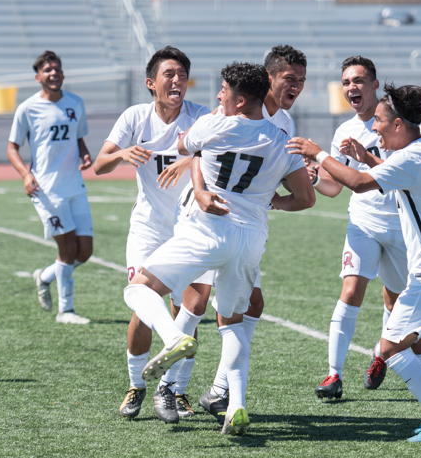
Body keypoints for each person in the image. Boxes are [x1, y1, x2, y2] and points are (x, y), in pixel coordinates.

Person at [123, 62, 315, 435]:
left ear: (240, 100)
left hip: (208, 230)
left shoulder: (213, 124)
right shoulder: (281, 140)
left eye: (223, 91)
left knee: (140, 288)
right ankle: (235, 406)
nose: (217, 96)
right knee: (232, 324)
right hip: (250, 239)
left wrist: (201, 178)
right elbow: (305, 198)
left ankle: (174, 337)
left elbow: (183, 146)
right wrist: (268, 202)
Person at [288, 84, 421, 443]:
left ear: (399, 125)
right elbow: (393, 175)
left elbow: (357, 183)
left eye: (380, 122)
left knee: (388, 351)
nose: (374, 128)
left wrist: (319, 153)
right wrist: (368, 157)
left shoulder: (412, 157)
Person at [309, 56, 421, 400]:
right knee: (351, 290)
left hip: (402, 227)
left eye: (358, 80)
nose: (351, 87)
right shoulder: (345, 130)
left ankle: (380, 354)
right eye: (346, 82)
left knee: (395, 298)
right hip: (363, 223)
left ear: (374, 84)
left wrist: (369, 158)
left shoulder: (405, 122)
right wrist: (313, 179)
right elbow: (334, 186)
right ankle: (333, 374)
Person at [189, 44, 308, 418]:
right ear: (268, 78)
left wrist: (276, 197)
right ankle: (171, 388)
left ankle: (218, 391)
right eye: (289, 79)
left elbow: (303, 192)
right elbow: (195, 151)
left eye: (302, 81)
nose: (296, 87)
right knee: (196, 302)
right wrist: (199, 190)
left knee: (246, 305)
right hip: (209, 219)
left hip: (243, 226)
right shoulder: (230, 111)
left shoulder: (285, 126)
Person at [93, 46, 210, 423]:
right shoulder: (135, 118)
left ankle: (176, 391)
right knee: (142, 308)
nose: (177, 81)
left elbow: (219, 153)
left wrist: (192, 158)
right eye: (169, 74)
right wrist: (122, 154)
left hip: (189, 227)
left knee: (187, 313)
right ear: (151, 83)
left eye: (182, 75)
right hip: (147, 228)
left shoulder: (200, 118)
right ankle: (136, 385)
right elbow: (99, 165)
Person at [7, 51, 93, 325]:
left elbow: (78, 136)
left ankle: (44, 276)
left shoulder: (75, 103)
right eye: (47, 70)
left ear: (63, 73)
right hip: (46, 190)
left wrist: (85, 153)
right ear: (38, 77)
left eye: (57, 68)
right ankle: (65, 311)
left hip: (74, 186)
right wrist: (25, 174)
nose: (53, 73)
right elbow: (12, 148)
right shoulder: (27, 108)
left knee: (85, 251)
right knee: (67, 248)